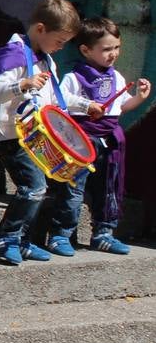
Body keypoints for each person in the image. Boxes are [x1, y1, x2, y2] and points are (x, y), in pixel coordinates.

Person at [0, 0, 87, 265]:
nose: (61, 48)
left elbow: (55, 97)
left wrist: (87, 107)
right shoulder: (14, 54)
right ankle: (7, 237)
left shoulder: (46, 59)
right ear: (40, 29)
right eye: (60, 41)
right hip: (12, 135)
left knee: (40, 190)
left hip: (38, 138)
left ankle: (24, 241)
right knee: (33, 188)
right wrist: (22, 85)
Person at [60, 17, 150, 255]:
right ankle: (62, 234)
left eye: (117, 47)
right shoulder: (74, 76)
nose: (113, 54)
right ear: (85, 50)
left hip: (111, 141)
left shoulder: (117, 77)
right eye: (107, 49)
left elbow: (121, 107)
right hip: (82, 140)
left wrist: (139, 97)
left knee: (108, 187)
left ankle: (104, 234)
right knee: (74, 188)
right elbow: (62, 100)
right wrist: (87, 105)